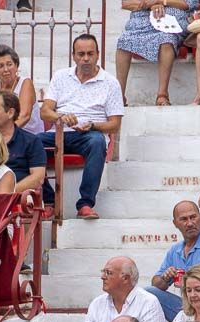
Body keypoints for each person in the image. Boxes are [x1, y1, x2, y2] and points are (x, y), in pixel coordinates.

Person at [38, 33, 124, 220]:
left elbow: (115, 125)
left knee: (97, 142)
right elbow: (45, 111)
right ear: (73, 55)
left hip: (89, 134)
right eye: (81, 54)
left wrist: (93, 125)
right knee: (31, 142)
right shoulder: (61, 76)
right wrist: (61, 116)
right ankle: (49, 200)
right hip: (60, 131)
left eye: (90, 54)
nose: (85, 58)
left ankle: (85, 204)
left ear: (98, 54)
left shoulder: (110, 83)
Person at [149, 200, 200, 321]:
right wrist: (165, 278)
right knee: (149, 293)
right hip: (189, 308)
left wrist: (187, 279)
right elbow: (156, 284)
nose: (189, 223)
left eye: (193, 217)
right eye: (183, 219)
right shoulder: (175, 249)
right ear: (175, 223)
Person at [114, 0, 198, 107]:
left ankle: (162, 95)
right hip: (142, 21)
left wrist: (162, 1)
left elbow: (189, 5)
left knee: (166, 39)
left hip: (170, 22)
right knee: (124, 40)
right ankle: (119, 95)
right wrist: (150, 4)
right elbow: (126, 4)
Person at [0, 91, 46, 194]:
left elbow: (38, 178)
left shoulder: (31, 141)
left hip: (19, 200)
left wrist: (6, 193)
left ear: (10, 113)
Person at [0, 46, 42, 134]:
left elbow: (24, 116)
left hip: (27, 135)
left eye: (9, 64)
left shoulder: (25, 83)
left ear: (16, 66)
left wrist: (5, 134)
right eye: (0, 66)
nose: (6, 69)